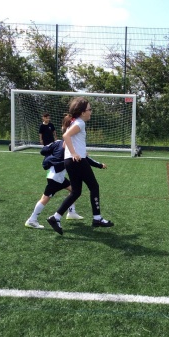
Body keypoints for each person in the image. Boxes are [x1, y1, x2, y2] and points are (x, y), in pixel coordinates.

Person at [47, 97, 113, 235]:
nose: (91, 112)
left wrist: (79, 150)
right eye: (89, 109)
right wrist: (75, 153)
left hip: (70, 161)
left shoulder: (74, 122)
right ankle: (97, 218)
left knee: (76, 192)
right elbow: (66, 136)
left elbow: (65, 143)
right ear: (83, 112)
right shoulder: (80, 123)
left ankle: (55, 218)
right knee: (94, 186)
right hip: (77, 161)